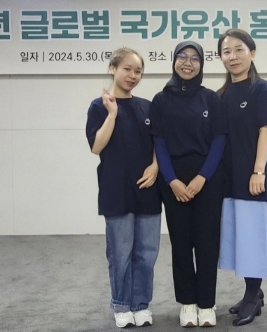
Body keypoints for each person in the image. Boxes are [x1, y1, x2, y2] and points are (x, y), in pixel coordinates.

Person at [149, 41, 227, 327]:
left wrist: (202, 177)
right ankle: (188, 303)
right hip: (173, 179)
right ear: (173, 61)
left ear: (202, 65)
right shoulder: (161, 100)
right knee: (181, 242)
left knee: (207, 243)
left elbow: (220, 139)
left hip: (207, 176)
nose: (188, 62)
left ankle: (207, 304)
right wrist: (171, 180)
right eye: (182, 56)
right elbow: (158, 141)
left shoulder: (211, 99)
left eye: (195, 58)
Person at [85, 47, 162, 328]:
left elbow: (159, 144)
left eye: (138, 71)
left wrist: (156, 167)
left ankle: (141, 304)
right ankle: (121, 304)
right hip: (116, 191)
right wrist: (112, 115)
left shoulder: (147, 107)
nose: (133, 75)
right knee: (120, 253)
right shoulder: (99, 106)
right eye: (127, 68)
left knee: (147, 252)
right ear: (113, 69)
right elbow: (96, 146)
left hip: (149, 191)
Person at [216, 29, 267, 327]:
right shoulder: (221, 94)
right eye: (227, 51)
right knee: (238, 241)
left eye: (239, 49)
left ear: (252, 53)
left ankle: (253, 298)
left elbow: (264, 132)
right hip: (227, 182)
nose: (233, 56)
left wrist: (259, 172)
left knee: (253, 239)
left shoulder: (262, 90)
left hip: (254, 179)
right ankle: (251, 291)